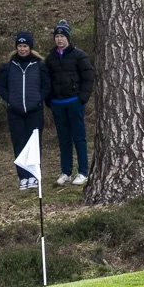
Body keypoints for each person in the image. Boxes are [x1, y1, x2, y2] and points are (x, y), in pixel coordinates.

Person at [0, 31, 50, 191]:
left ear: (30, 47)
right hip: (15, 112)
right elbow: (0, 86)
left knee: (34, 143)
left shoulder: (39, 65)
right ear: (16, 47)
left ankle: (34, 175)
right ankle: (23, 176)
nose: (22, 49)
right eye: (20, 46)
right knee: (19, 143)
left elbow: (47, 86)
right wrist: (10, 100)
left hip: (34, 111)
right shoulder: (8, 67)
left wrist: (38, 99)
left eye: (25, 46)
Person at [47, 21, 95, 186]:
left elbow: (88, 77)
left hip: (74, 101)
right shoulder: (50, 58)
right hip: (57, 104)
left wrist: (82, 98)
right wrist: (49, 100)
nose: (59, 39)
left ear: (68, 37)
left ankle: (82, 172)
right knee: (63, 139)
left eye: (62, 36)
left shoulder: (78, 55)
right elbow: (46, 81)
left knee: (79, 137)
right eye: (57, 36)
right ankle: (65, 172)